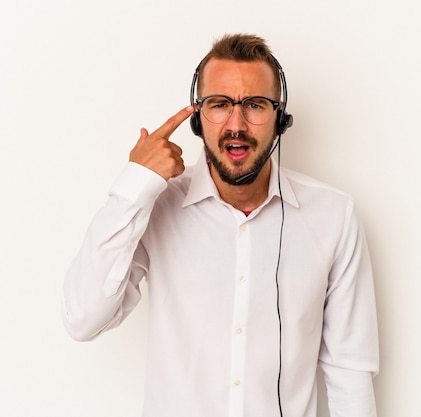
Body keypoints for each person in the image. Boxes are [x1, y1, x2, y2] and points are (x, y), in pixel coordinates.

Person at [63, 33, 379, 417]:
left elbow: (350, 374)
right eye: (219, 104)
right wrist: (134, 185)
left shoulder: (333, 215)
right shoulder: (156, 205)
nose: (236, 123)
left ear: (280, 117)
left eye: (255, 105)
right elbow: (83, 319)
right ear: (198, 118)